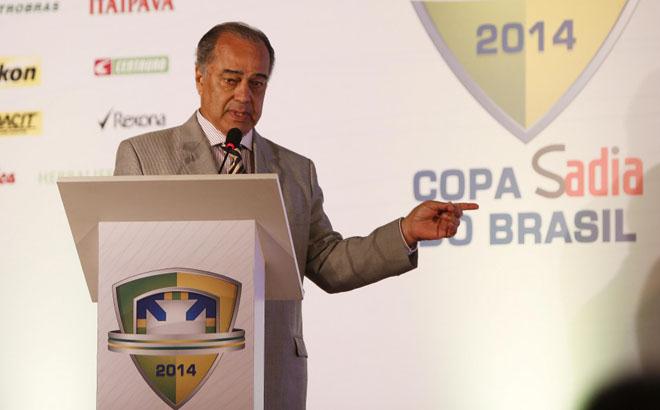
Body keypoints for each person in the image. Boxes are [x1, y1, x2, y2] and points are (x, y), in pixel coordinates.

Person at [114, 21, 478, 409]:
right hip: (174, 369)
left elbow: (329, 264)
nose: (244, 95)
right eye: (231, 79)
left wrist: (405, 232)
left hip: (272, 373)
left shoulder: (295, 170)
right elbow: (125, 265)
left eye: (257, 83)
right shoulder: (144, 156)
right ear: (200, 77)